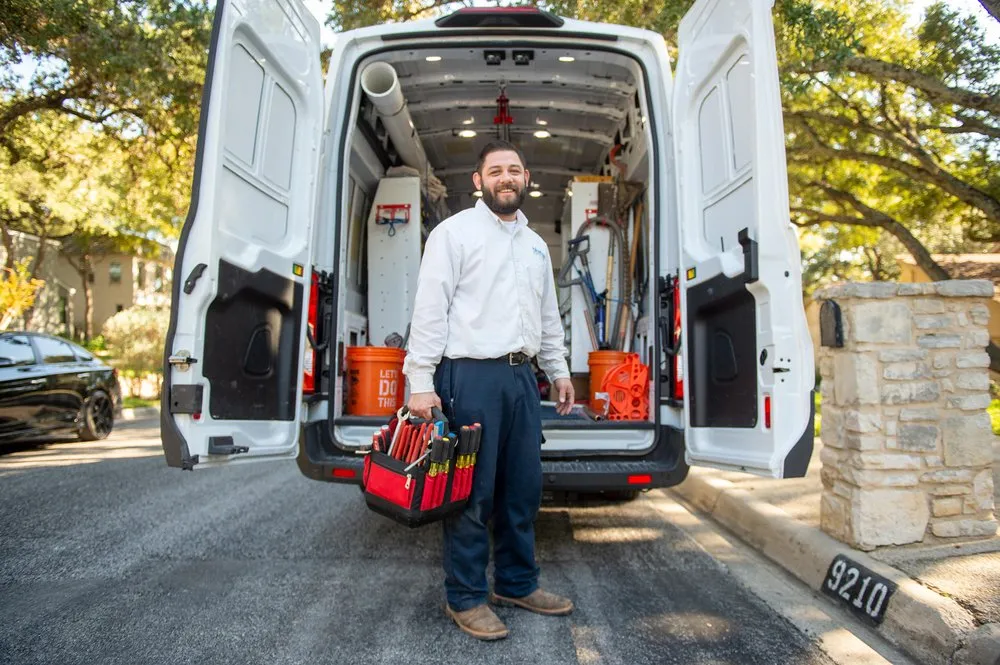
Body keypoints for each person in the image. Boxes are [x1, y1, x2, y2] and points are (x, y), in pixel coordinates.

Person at [403, 140, 575, 641]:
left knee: (521, 489)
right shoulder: (453, 234)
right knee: (473, 494)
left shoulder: (537, 244)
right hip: (469, 376)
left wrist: (558, 371)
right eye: (495, 170)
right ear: (478, 181)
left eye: (514, 170)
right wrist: (419, 382)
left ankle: (517, 583)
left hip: (522, 379)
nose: (506, 178)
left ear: (526, 179)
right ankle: (467, 596)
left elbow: (547, 318)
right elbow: (430, 309)